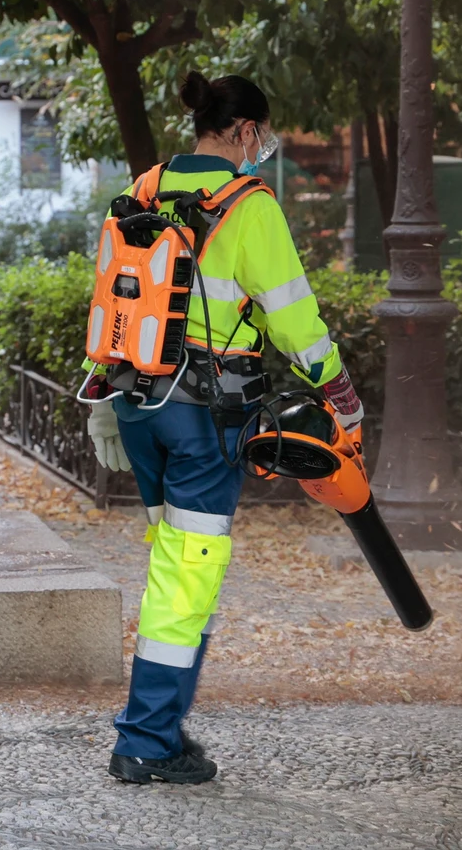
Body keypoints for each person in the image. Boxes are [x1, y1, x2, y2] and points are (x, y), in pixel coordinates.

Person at [85, 72, 364, 785]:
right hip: (205, 416)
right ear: (244, 131)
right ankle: (146, 741)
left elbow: (118, 288)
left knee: (176, 569)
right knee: (187, 574)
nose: (262, 147)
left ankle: (162, 726)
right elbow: (292, 314)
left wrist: (99, 390)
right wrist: (338, 390)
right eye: (261, 135)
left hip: (135, 400)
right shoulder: (250, 204)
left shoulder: (145, 187)